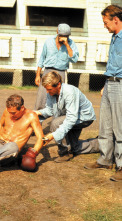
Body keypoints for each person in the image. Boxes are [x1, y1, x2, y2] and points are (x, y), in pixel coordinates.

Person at [84, 5, 122, 182]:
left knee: (120, 127)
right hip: (110, 82)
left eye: (106, 22)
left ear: (116, 19)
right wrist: (106, 84)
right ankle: (106, 159)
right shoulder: (115, 37)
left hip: (121, 84)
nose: (104, 26)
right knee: (105, 124)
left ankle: (121, 165)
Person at [35, 71, 99, 163]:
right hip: (70, 116)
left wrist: (53, 135)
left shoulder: (69, 92)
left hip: (84, 117)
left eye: (49, 89)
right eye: (46, 89)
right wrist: (36, 113)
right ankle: (101, 144)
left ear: (58, 85)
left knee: (55, 123)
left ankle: (65, 153)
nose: (47, 92)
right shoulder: (51, 93)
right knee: (74, 148)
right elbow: (50, 110)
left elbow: (71, 119)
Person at [34, 23, 79, 111]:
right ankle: (38, 121)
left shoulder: (71, 43)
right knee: (41, 97)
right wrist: (37, 75)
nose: (63, 38)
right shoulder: (48, 41)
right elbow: (42, 58)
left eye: (66, 36)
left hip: (61, 72)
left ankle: (57, 122)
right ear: (57, 32)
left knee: (60, 98)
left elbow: (74, 59)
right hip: (48, 71)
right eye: (62, 35)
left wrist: (67, 45)